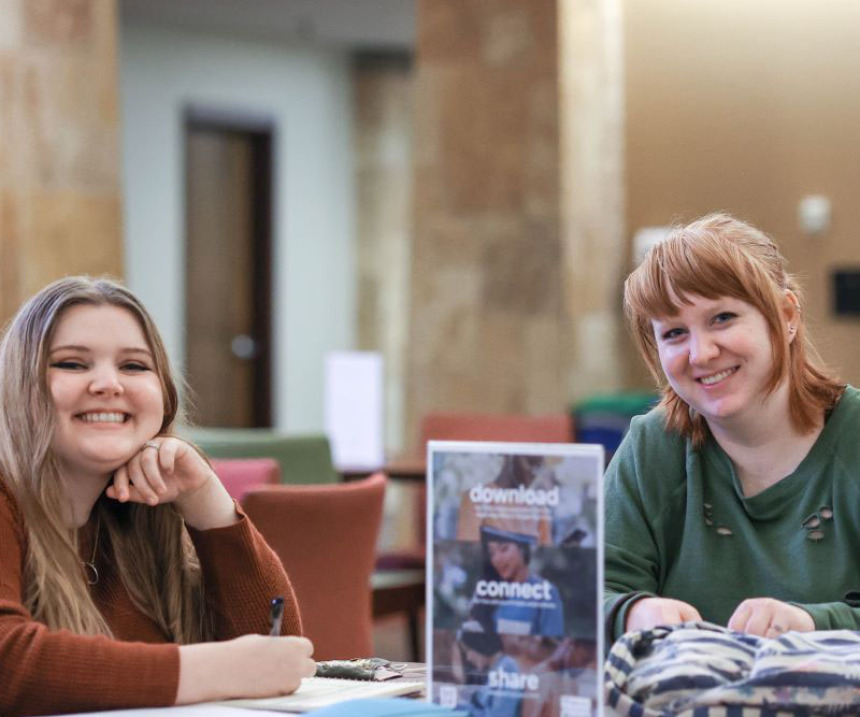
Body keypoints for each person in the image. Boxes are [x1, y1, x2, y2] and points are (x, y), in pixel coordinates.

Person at [0, 276, 316, 716]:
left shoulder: (140, 512)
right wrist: (210, 672)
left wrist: (207, 499)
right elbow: (7, 663)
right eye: (72, 364)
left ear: (163, 397)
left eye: (133, 366)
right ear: (18, 388)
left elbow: (273, 652)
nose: (108, 384)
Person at [604, 213, 860, 646]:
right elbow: (579, 596)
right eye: (675, 333)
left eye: (722, 318)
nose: (701, 353)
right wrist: (632, 612)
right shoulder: (653, 447)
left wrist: (812, 624)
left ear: (786, 315)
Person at [472, 526, 565, 637]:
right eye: (492, 554)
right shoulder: (488, 590)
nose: (497, 559)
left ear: (522, 549)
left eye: (504, 549)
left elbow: (553, 642)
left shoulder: (546, 591)